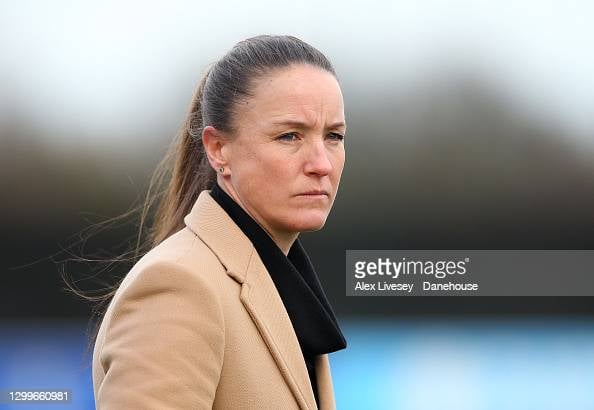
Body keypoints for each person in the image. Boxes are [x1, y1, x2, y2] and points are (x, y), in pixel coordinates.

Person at [92, 34, 348, 409]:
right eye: (289, 136)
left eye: (334, 136)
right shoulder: (179, 285)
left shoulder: (276, 283)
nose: (321, 164)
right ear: (218, 150)